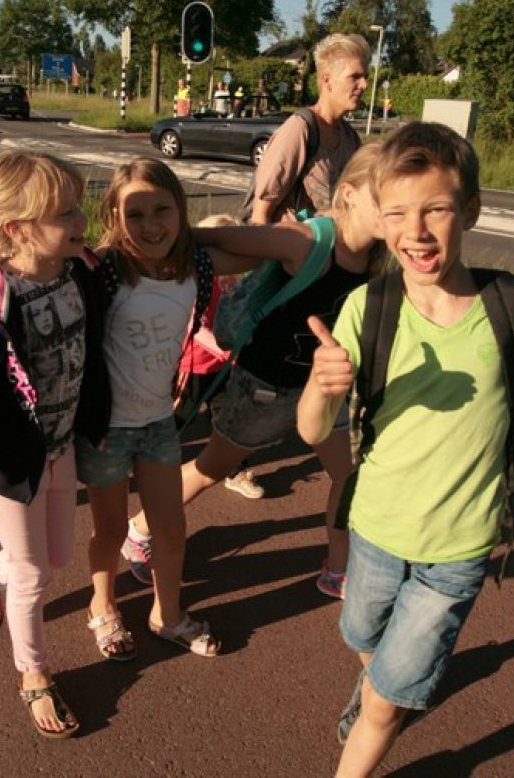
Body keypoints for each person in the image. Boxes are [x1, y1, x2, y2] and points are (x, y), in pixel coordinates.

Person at [298, 123, 514, 777]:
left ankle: (378, 711)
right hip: (374, 528)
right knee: (361, 636)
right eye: (397, 214)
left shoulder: (511, 304)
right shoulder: (367, 307)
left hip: (459, 547)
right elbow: (311, 430)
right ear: (379, 218)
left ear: (470, 210)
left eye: (436, 210)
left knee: (384, 705)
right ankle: (381, 685)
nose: (415, 232)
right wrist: (320, 386)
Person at [126, 144, 390, 600]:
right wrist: (153, 240)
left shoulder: (378, 258)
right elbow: (222, 238)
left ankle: (338, 569)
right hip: (265, 388)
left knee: (347, 476)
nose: (398, 213)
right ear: (349, 193)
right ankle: (140, 529)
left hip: (322, 387)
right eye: (386, 199)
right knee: (210, 469)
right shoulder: (307, 241)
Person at [0, 151, 108, 739]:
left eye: (78, 207)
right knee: (34, 574)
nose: (81, 220)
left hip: (59, 449)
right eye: (65, 213)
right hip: (7, 464)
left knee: (54, 559)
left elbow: (94, 346)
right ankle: (34, 673)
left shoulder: (77, 269)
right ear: (18, 229)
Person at [78, 159, 260, 664]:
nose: (151, 225)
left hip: (158, 422)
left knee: (171, 527)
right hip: (107, 429)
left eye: (163, 210)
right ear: (113, 216)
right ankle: (102, 604)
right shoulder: (103, 269)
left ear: (181, 209)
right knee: (111, 530)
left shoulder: (194, 264)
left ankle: (167, 614)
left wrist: (193, 235)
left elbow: (268, 249)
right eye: (135, 214)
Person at [172, 213, 258, 499]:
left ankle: (235, 471)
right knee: (175, 419)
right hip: (194, 365)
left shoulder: (232, 282)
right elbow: (194, 328)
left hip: (224, 367)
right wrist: (228, 350)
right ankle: (150, 460)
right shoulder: (195, 280)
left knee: (231, 420)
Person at [247, 34, 369, 224]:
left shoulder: (350, 137)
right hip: (288, 242)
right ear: (327, 80)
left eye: (365, 77)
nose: (364, 85)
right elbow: (260, 212)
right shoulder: (300, 128)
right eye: (355, 77)